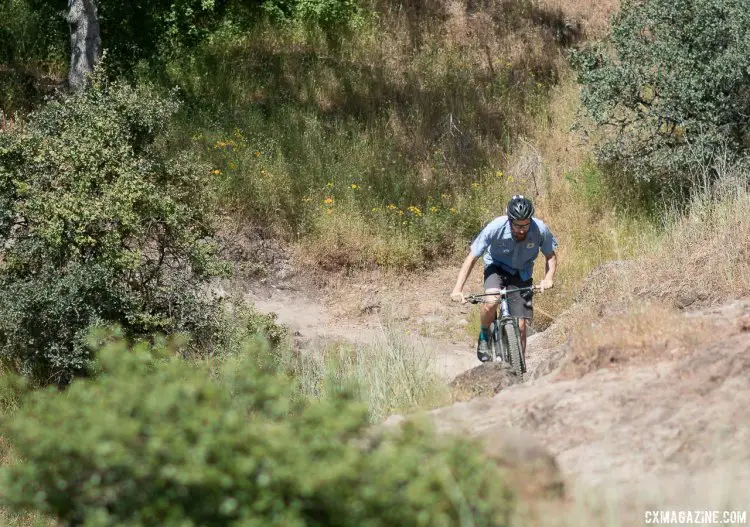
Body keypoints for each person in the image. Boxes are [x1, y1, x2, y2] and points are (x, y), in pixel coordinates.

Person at [450, 195, 558, 362]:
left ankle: (519, 369)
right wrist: (458, 289)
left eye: (526, 225)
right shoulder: (495, 227)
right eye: (517, 225)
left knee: (521, 326)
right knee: (492, 301)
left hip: (521, 273)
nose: (522, 230)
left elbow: (550, 256)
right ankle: (484, 336)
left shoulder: (540, 229)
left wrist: (548, 278)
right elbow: (472, 257)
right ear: (509, 220)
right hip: (496, 268)